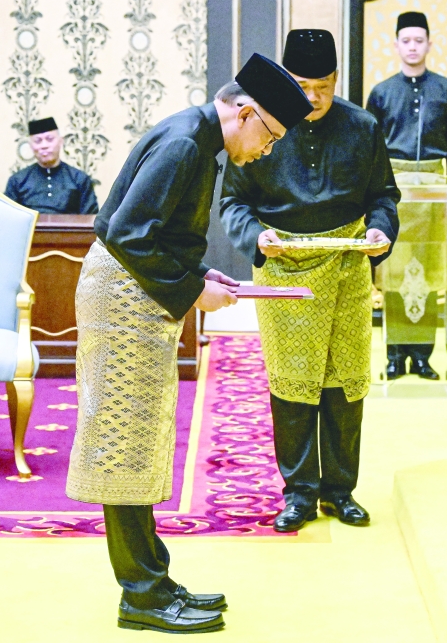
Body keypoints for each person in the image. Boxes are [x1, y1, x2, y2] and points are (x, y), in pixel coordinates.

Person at [65, 53, 313, 634]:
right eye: (271, 136)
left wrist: (201, 274)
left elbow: (159, 234)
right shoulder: (184, 144)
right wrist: (193, 291)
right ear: (245, 113)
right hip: (124, 297)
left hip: (138, 292)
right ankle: (142, 595)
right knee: (123, 449)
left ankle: (155, 579)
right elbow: (127, 234)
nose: (267, 151)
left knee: (140, 443)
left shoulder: (197, 139)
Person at [221, 29, 400, 533]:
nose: (314, 98)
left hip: (347, 263)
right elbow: (233, 202)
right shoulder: (264, 126)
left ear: (337, 80)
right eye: (303, 87)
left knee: (345, 381)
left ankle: (340, 490)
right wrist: (256, 237)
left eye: (324, 86)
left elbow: (384, 196)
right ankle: (299, 492)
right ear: (285, 81)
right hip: (285, 264)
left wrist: (382, 229)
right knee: (294, 382)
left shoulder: (362, 125)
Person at [366, 11, 447, 381]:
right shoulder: (381, 92)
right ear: (396, 45)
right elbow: (372, 149)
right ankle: (394, 356)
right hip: (394, 188)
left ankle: (423, 356)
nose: (412, 47)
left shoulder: (446, 89)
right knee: (393, 269)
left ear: (429, 44)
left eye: (418, 40)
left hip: (433, 190)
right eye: (405, 41)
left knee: (429, 270)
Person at [4, 117, 99, 214]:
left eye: (49, 139)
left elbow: (91, 218)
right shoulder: (17, 181)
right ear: (31, 146)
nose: (44, 145)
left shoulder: (79, 179)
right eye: (38, 141)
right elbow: (8, 217)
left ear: (60, 141)